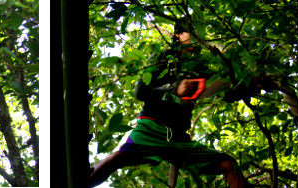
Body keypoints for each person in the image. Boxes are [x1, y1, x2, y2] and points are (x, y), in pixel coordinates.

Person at [88, 22, 248, 188]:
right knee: (116, 159)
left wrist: (248, 84)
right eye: (190, 33)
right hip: (150, 128)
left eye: (198, 34)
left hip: (178, 138)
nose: (195, 38)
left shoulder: (199, 67)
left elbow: (223, 90)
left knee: (229, 164)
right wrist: (174, 90)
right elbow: (140, 92)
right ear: (178, 35)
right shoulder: (162, 57)